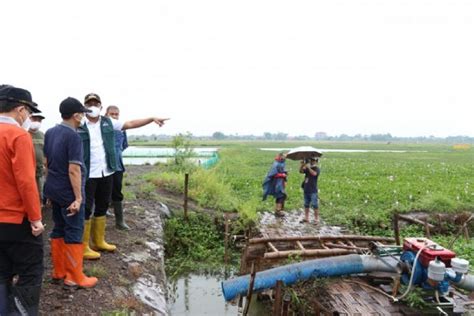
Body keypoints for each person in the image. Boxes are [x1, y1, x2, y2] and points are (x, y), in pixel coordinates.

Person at [79, 93, 168, 260]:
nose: (92, 106)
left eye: (95, 103)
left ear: (100, 107)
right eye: (89, 104)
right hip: (88, 173)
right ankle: (84, 246)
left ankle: (98, 241)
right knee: (86, 208)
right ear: (84, 106)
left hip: (107, 170)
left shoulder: (108, 122)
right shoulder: (79, 123)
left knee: (103, 205)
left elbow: (131, 123)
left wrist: (151, 118)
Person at [43, 97, 98, 289]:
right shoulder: (74, 136)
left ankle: (59, 272)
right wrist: (79, 198)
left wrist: (48, 191)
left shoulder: (50, 132)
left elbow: (46, 164)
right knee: (74, 231)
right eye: (82, 113)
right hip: (68, 193)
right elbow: (74, 169)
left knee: (58, 228)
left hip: (54, 189)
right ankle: (74, 277)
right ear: (76, 115)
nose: (83, 117)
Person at [0, 85, 44, 315]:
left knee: (1, 273)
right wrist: (36, 219)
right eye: (28, 111)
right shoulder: (18, 135)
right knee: (30, 273)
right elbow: (26, 182)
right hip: (16, 220)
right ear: (19, 109)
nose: (28, 116)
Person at [105, 105, 130, 230]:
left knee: (117, 191)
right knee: (101, 191)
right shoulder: (102, 128)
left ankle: (119, 221)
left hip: (118, 165)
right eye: (112, 114)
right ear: (106, 114)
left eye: (116, 114)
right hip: (103, 165)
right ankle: (101, 213)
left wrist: (116, 153)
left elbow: (124, 145)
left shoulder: (122, 129)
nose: (114, 116)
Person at [262, 152, 288, 217]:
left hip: (280, 181)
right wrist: (282, 174)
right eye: (284, 156)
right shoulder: (276, 164)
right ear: (280, 156)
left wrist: (284, 172)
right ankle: (278, 210)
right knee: (281, 195)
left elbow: (280, 171)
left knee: (282, 195)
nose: (285, 158)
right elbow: (272, 174)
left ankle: (278, 210)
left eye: (285, 156)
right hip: (277, 182)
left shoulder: (282, 163)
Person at [29, 112, 46, 203]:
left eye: (39, 120)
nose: (37, 122)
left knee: (40, 190)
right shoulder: (24, 133)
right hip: (27, 169)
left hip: (39, 170)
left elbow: (45, 152)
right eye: (34, 119)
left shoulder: (42, 135)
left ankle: (39, 205)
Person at [299, 157, 321, 224]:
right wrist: (302, 164)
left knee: (315, 204)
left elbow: (314, 174)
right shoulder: (308, 168)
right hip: (306, 189)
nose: (312, 161)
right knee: (306, 204)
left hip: (313, 190)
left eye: (314, 160)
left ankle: (316, 219)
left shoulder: (317, 169)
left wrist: (308, 167)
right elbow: (301, 171)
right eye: (311, 160)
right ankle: (306, 218)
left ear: (316, 161)